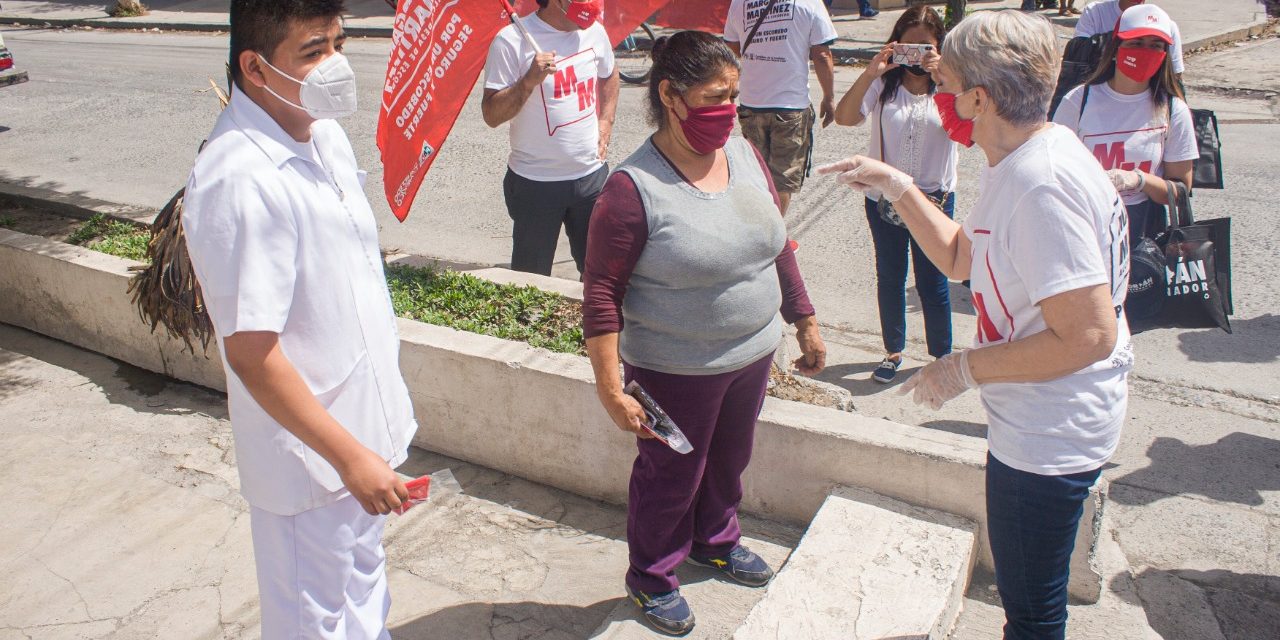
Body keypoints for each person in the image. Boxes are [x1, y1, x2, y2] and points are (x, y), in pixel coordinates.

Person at [820, 11, 1132, 639]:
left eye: (947, 83)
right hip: (1038, 422)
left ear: (981, 98)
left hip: (1049, 438)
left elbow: (1087, 335)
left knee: (1033, 614)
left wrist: (961, 369)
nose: (939, 96)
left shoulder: (1041, 183)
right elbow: (966, 257)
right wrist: (900, 186)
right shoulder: (1022, 156)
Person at [181, 1, 419, 637]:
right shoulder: (239, 180)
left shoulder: (322, 133)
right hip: (313, 465)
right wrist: (349, 459)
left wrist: (371, 450)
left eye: (339, 44)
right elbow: (253, 353)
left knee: (366, 600)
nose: (335, 64)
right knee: (312, 622)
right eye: (313, 52)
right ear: (255, 68)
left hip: (364, 441)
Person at [582, 31, 827, 636]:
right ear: (671, 95)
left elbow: (776, 243)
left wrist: (804, 319)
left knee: (729, 461)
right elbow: (601, 298)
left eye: (736, 95)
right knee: (670, 477)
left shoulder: (744, 153)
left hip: (751, 355)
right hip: (674, 370)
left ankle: (715, 540)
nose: (731, 109)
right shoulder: (631, 190)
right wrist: (611, 387)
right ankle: (651, 577)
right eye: (716, 96)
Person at [833, 6, 956, 383]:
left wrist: (944, 74)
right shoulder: (884, 85)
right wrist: (872, 70)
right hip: (884, 198)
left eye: (926, 47)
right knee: (890, 275)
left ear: (939, 47)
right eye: (909, 46)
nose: (916, 55)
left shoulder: (951, 84)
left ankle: (941, 357)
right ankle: (893, 351)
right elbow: (844, 116)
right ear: (896, 44)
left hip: (934, 199)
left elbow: (967, 130)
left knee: (933, 280)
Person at [482, 0, 620, 277]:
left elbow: (609, 74)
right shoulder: (512, 41)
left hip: (590, 177)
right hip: (536, 184)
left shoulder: (594, 31)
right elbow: (492, 115)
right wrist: (528, 81)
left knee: (599, 274)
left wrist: (606, 120)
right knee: (529, 281)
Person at [1054, 3, 1196, 244]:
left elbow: (1180, 191)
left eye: (1155, 46)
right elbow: (1053, 173)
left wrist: (1140, 180)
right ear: (1116, 47)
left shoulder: (1173, 110)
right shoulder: (1078, 101)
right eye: (1136, 43)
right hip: (1084, 230)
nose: (1146, 52)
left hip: (1145, 236)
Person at [724, 0, 838, 214]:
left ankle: (760, 232)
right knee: (782, 181)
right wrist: (829, 97)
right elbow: (822, 56)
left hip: (751, 104)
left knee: (757, 174)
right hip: (790, 107)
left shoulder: (739, 3)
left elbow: (730, 52)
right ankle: (774, 239)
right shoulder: (810, 3)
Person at [1077, 0, 1184, 75]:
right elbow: (1077, 56)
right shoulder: (1094, 12)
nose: (1144, 51)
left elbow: (1175, 74)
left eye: (1155, 45)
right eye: (1135, 43)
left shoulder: (1167, 25)